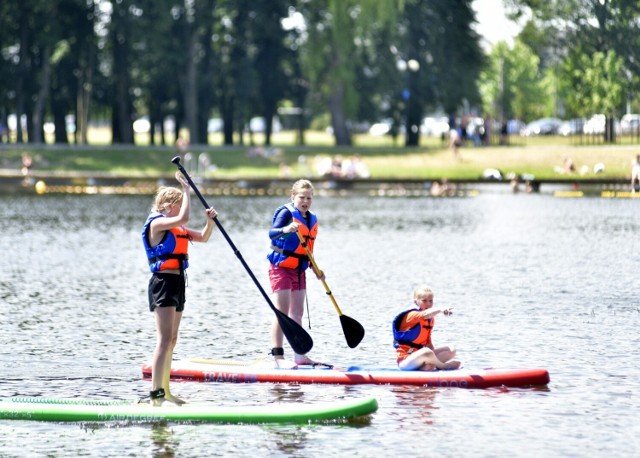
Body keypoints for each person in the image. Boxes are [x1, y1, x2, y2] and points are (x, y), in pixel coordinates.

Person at [142, 171, 217, 405]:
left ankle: (165, 390)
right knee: (164, 339)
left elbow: (204, 238)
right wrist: (187, 191)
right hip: (162, 283)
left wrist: (210, 221)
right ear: (166, 206)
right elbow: (183, 218)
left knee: (173, 339)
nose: (182, 207)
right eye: (178, 204)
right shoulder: (157, 224)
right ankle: (156, 394)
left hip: (178, 282)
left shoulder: (178, 227)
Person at [267, 179, 324, 367]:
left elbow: (308, 248)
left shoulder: (311, 218)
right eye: (301, 197)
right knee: (282, 313)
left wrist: (316, 269)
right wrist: (286, 229)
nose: (305, 201)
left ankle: (300, 356)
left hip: (299, 270)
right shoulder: (285, 212)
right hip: (281, 267)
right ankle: (278, 357)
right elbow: (272, 233)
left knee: (297, 314)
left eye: (309, 198)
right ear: (293, 197)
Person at [393, 285, 460, 371]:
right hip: (405, 361)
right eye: (424, 301)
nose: (428, 304)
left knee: (451, 350)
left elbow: (429, 344)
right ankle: (443, 366)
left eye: (430, 301)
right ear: (416, 301)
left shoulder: (430, 320)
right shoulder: (412, 315)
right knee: (426, 352)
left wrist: (432, 358)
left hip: (421, 358)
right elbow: (425, 314)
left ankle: (426, 367)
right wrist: (440, 309)